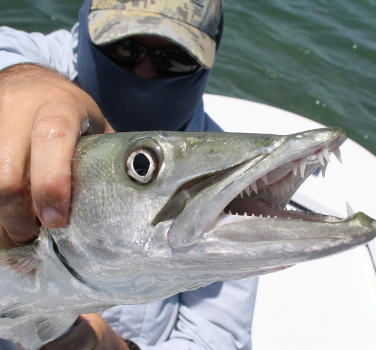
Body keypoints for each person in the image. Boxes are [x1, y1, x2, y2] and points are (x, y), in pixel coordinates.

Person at [0, 0, 258, 349]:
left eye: (175, 58)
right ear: (86, 31)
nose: (144, 74)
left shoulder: (222, 170)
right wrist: (22, 84)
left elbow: (216, 337)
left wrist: (112, 345)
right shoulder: (36, 59)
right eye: (123, 49)